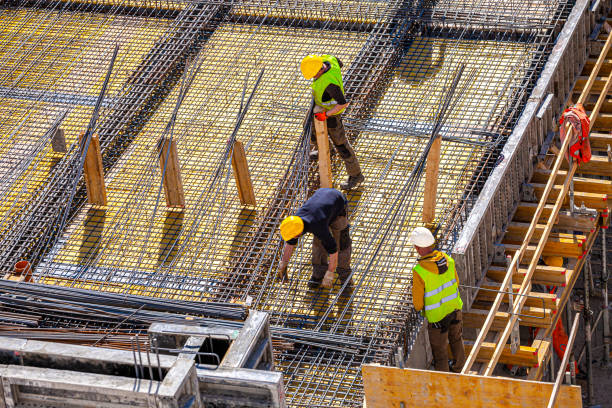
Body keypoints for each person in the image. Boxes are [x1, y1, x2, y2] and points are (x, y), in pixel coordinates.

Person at [300, 54, 364, 190]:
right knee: (310, 127)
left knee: (341, 145)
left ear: (320, 70)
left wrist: (327, 114)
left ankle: (356, 175)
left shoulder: (330, 85)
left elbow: (343, 104)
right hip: (321, 108)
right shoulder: (328, 59)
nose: (313, 77)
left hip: (332, 114)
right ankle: (325, 149)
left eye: (313, 75)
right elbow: (339, 64)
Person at [410, 227, 465, 372]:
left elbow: (417, 303)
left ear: (417, 248)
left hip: (437, 319)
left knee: (440, 352)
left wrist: (421, 309)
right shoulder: (449, 260)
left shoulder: (419, 271)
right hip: (455, 308)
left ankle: (444, 379)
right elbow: (456, 283)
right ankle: (459, 368)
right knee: (456, 339)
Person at [278, 188, 353, 290]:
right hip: (322, 205)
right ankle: (318, 275)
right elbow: (290, 243)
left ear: (299, 232)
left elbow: (333, 250)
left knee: (342, 245)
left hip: (337, 207)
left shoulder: (317, 226)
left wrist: (330, 272)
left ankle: (346, 280)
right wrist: (284, 262)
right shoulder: (294, 222)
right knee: (318, 246)